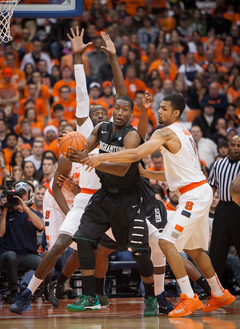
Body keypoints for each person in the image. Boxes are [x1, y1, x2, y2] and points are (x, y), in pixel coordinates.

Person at [83, 93, 235, 317]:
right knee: (194, 249)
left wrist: (100, 159)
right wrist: (146, 173)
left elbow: (134, 153)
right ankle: (218, 291)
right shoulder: (183, 133)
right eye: (159, 107)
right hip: (195, 189)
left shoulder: (164, 132)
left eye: (163, 108)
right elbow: (177, 174)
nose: (159, 111)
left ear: (175, 113)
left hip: (193, 194)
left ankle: (189, 297)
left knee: (165, 241)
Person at [9, 28, 127, 315]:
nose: (100, 116)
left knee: (106, 248)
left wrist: (113, 59)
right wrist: (77, 56)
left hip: (112, 199)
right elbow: (81, 94)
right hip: (84, 199)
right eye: (95, 114)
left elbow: (123, 95)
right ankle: (28, 293)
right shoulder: (87, 131)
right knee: (61, 243)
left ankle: (116, 293)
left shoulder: (119, 131)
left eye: (105, 113)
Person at [0, 181, 44, 303]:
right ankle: (13, 291)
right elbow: (1, 233)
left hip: (28, 255)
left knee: (47, 267)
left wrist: (25, 208)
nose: (20, 197)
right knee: (10, 256)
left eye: (22, 194)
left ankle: (39, 290)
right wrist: (4, 210)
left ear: (27, 195)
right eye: (17, 194)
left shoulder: (34, 213)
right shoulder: (6, 213)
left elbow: (41, 226)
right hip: (8, 252)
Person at [208, 135, 240, 282]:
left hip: (238, 208)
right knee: (216, 250)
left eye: (239, 146)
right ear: (228, 145)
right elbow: (212, 187)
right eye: (233, 145)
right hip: (222, 208)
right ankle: (213, 290)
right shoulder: (218, 164)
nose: (236, 148)